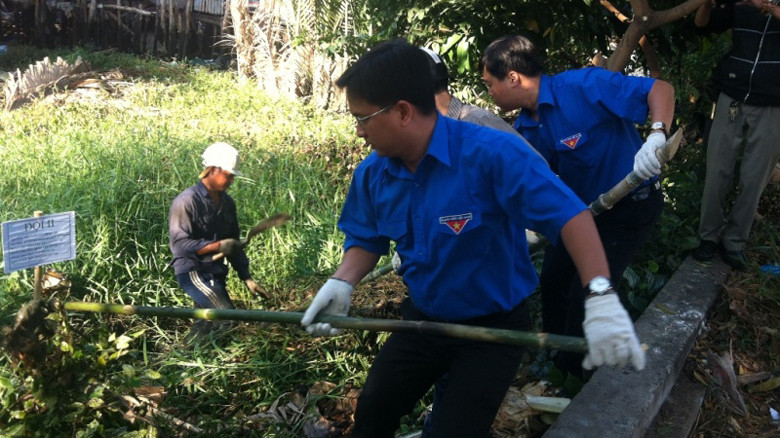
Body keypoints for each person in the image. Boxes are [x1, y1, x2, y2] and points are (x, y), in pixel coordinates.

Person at [300, 39, 645, 438]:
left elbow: (571, 217)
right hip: (424, 321)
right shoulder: (374, 173)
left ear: (402, 112)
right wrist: (341, 281)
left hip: (491, 332)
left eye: (363, 118)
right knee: (374, 411)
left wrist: (600, 295)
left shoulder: (492, 154)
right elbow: (367, 238)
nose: (358, 131)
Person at [479, 35, 675, 378]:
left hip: (630, 207)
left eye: (490, 84)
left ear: (512, 77)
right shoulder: (526, 127)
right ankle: (556, 357)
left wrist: (657, 134)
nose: (489, 93)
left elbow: (660, 90)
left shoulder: (585, 86)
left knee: (586, 293)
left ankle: (576, 379)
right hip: (583, 217)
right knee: (553, 280)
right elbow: (524, 184)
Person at [691, 0, 780, 270]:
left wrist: (759, 3)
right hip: (732, 95)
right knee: (718, 169)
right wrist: (704, 3)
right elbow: (703, 25)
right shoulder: (740, 6)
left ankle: (734, 243)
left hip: (773, 104)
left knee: (754, 178)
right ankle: (708, 238)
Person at [168, 142, 265, 339]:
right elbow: (180, 247)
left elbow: (234, 243)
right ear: (212, 170)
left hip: (216, 272)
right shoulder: (186, 201)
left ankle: (185, 359)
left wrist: (246, 277)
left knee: (205, 328)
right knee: (227, 319)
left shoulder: (228, 203)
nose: (231, 180)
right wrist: (218, 246)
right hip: (194, 271)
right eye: (229, 175)